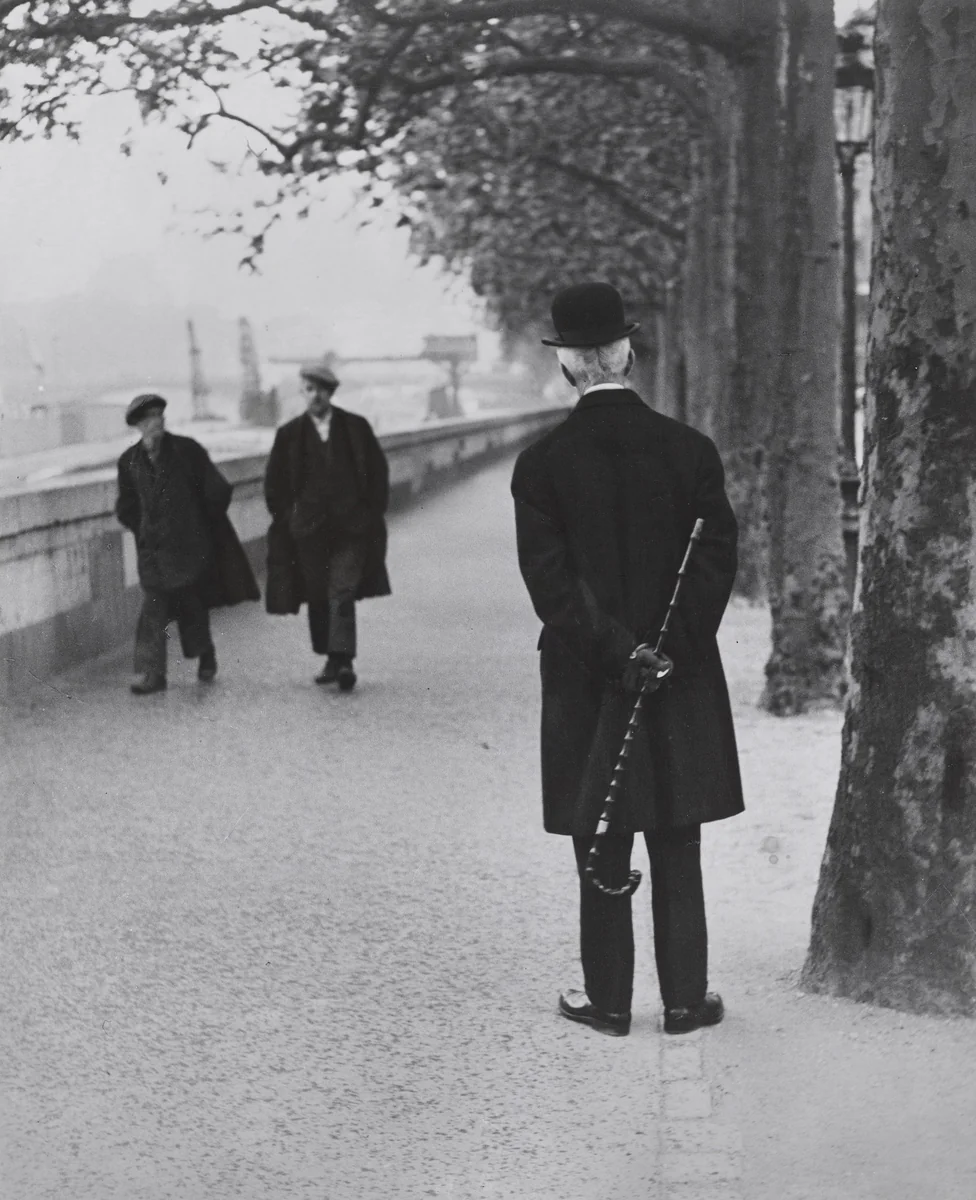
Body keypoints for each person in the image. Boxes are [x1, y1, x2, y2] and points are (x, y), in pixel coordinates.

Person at [510, 282, 744, 1037]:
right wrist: (665, 653)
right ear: (629, 353)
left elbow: (553, 588)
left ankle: (608, 1002)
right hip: (680, 679)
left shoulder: (541, 465)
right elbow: (714, 567)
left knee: (601, 838)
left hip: (588, 674)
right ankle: (685, 1001)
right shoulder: (691, 452)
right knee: (678, 834)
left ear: (571, 366)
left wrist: (621, 654)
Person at [115, 393, 260, 695]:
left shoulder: (187, 451)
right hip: (153, 551)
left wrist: (199, 527)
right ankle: (152, 674)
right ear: (139, 425)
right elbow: (125, 506)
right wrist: (142, 528)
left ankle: (205, 654)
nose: (158, 422)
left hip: (187, 549)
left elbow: (217, 490)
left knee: (191, 605)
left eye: (160, 415)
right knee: (153, 609)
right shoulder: (128, 462)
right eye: (151, 418)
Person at [264, 361, 391, 690]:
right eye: (309, 389)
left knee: (342, 590)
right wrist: (289, 520)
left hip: (351, 529)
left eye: (321, 389)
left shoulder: (356, 428)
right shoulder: (288, 435)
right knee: (318, 594)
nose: (315, 395)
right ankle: (331, 657)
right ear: (302, 393)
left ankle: (344, 660)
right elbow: (274, 485)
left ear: (330, 393)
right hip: (307, 532)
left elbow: (378, 474)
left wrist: (368, 515)